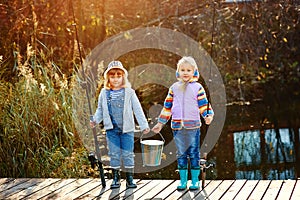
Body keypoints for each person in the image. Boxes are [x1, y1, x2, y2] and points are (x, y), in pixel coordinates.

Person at [151, 56, 214, 190]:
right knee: (181, 153)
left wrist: (208, 116)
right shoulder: (174, 88)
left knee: (194, 153)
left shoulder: (198, 87)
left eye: (189, 70)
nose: (185, 72)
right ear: (178, 72)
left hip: (193, 127)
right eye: (183, 70)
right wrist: (160, 123)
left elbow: (204, 106)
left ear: (194, 72)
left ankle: (195, 181)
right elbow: (167, 108)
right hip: (177, 127)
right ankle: (183, 181)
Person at [90, 61, 150, 189]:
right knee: (114, 154)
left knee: (128, 154)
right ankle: (116, 178)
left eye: (118, 76)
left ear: (123, 77)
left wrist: (144, 125)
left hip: (127, 130)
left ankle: (130, 179)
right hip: (111, 130)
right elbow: (100, 110)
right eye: (112, 76)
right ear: (108, 78)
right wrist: (95, 120)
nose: (116, 79)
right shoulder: (104, 93)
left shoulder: (129, 92)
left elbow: (137, 109)